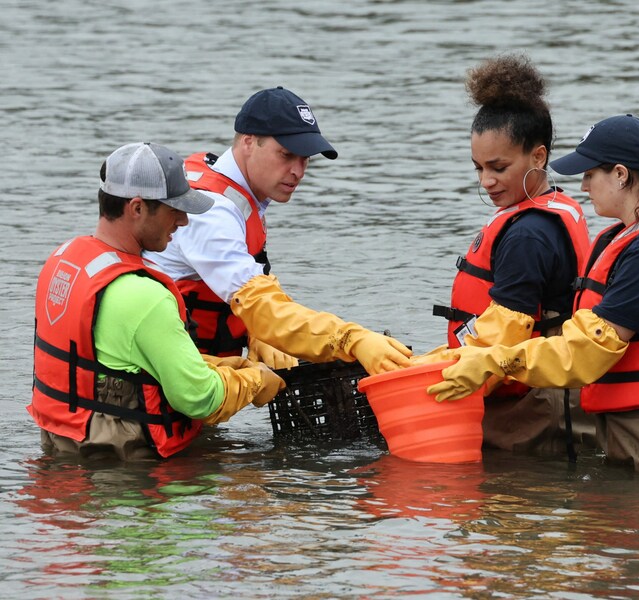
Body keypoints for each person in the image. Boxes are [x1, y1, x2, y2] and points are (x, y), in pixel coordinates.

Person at [427, 114, 639, 477]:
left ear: (621, 175)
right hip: (637, 433)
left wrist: (496, 361)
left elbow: (587, 351)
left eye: (591, 174)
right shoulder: (620, 239)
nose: (584, 185)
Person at [29, 142, 285, 461]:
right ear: (137, 208)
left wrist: (221, 366)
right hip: (129, 479)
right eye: (173, 209)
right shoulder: (145, 296)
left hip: (63, 451)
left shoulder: (64, 261)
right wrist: (254, 380)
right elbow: (200, 398)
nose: (183, 222)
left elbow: (114, 361)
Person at [144, 87, 411, 375]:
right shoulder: (212, 212)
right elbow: (260, 303)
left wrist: (254, 331)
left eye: (305, 158)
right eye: (286, 155)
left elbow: (250, 285)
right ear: (248, 142)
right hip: (157, 376)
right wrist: (350, 339)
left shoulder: (224, 182)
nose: (298, 170)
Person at [423, 53, 592, 457]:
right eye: (478, 167)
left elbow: (506, 330)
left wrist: (434, 373)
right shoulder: (551, 209)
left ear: (538, 156)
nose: (486, 181)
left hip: (534, 410)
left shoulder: (529, 235)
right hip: (539, 398)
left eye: (498, 167)